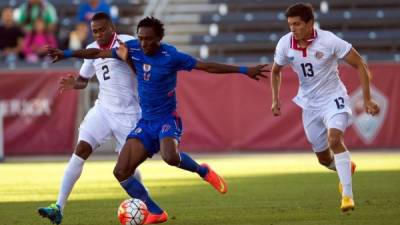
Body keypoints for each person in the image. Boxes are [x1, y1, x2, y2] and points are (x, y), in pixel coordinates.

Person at [47, 16, 268, 224]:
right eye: (140, 37)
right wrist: (65, 54)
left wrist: (244, 70)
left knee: (170, 157)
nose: (143, 43)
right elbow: (96, 54)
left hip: (166, 117)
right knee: (121, 172)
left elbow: (207, 66)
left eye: (148, 39)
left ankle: (203, 171)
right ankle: (155, 211)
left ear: (159, 39)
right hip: (145, 122)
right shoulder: (132, 49)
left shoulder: (171, 56)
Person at [270, 3, 380, 212]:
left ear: (310, 23)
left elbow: (361, 65)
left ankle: (347, 196)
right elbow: (276, 71)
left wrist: (367, 99)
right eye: (290, 24)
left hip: (333, 98)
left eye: (297, 24)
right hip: (310, 104)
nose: (293, 28)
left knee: (334, 139)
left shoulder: (328, 41)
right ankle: (345, 166)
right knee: (323, 159)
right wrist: (275, 99)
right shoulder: (285, 44)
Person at [38, 12, 142, 225]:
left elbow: (142, 70)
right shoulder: (92, 51)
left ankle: (144, 200)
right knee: (81, 149)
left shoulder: (129, 42)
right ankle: (58, 207)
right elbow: (83, 80)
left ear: (112, 27)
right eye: (94, 31)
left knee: (127, 169)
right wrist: (74, 84)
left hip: (129, 115)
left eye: (102, 29)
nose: (98, 34)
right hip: (103, 110)